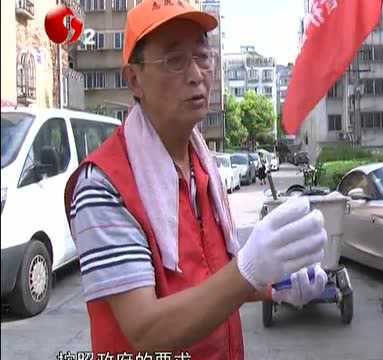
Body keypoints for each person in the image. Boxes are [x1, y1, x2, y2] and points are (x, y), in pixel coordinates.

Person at [63, 1, 327, 357]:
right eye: (174, 60)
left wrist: (275, 285)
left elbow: (210, 282)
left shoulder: (203, 169)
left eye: (203, 57)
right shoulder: (103, 185)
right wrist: (248, 270)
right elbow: (145, 329)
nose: (195, 74)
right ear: (135, 79)